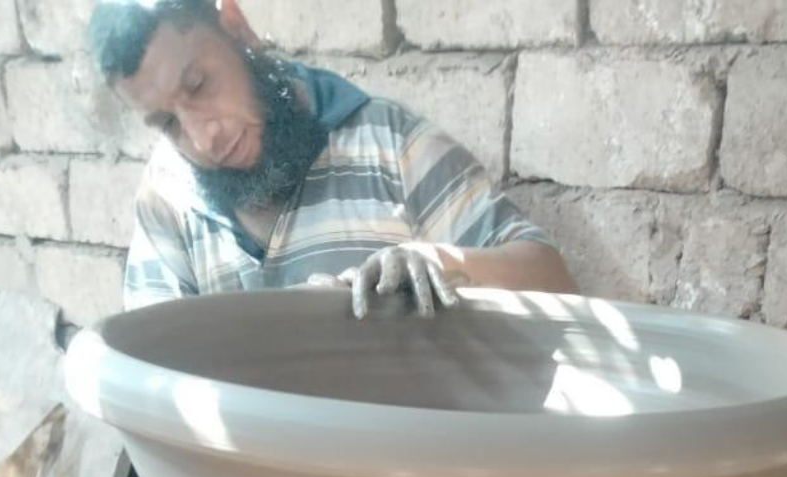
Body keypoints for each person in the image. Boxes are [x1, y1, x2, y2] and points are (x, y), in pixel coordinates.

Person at [87, 0, 575, 317]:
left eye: (198, 85)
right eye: (167, 123)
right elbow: (151, 367)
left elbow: (552, 278)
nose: (203, 138)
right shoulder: (169, 196)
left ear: (237, 28)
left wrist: (438, 262)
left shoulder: (388, 143)